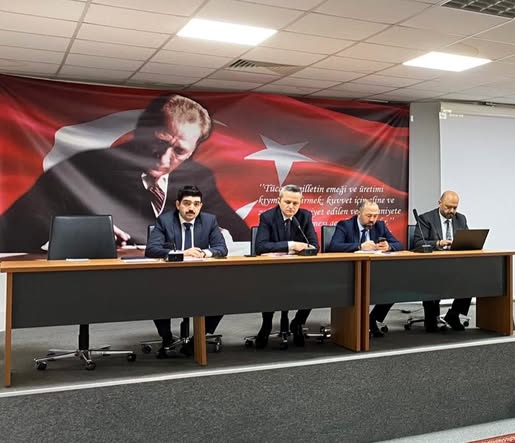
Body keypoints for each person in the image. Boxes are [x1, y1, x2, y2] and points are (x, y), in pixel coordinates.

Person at [0, 94, 249, 252]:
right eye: (159, 142)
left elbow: (242, 236)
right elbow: (13, 232)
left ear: (193, 151)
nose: (164, 158)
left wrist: (219, 235)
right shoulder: (82, 169)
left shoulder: (197, 177)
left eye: (179, 151)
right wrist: (86, 233)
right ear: (140, 132)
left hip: (172, 281)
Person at [145, 185, 228, 357]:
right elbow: (151, 250)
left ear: (201, 206)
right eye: (187, 203)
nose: (191, 208)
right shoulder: (165, 221)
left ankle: (197, 339)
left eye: (196, 204)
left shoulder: (209, 221)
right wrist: (182, 253)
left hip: (201, 277)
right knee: (154, 295)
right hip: (170, 278)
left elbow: (221, 248)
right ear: (178, 205)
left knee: (223, 296)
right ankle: (166, 337)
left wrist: (204, 253)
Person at [254, 184, 318, 348]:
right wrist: (292, 245)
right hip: (273, 271)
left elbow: (314, 246)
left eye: (295, 203)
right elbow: (260, 247)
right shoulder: (268, 217)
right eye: (287, 202)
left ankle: (298, 322)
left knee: (314, 286)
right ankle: (267, 324)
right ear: (279, 201)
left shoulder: (305, 216)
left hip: (299, 270)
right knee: (269, 287)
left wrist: (303, 248)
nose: (291, 207)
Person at [327, 199, 403, 337]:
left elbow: (399, 244)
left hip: (374, 272)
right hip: (348, 273)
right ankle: (350, 326)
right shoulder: (345, 225)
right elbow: (333, 247)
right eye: (369, 216)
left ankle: (372, 319)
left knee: (395, 285)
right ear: (359, 213)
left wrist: (389, 246)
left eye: (375, 216)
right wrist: (359, 246)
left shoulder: (380, 226)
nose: (372, 219)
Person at [413, 190, 470, 332]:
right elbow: (418, 243)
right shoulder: (426, 219)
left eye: (455, 208)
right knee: (432, 277)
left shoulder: (461, 219)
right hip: (432, 264)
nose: (452, 211)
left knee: (472, 278)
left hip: (455, 263)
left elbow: (467, 240)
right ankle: (431, 318)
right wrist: (438, 243)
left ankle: (453, 315)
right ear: (439, 203)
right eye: (448, 207)